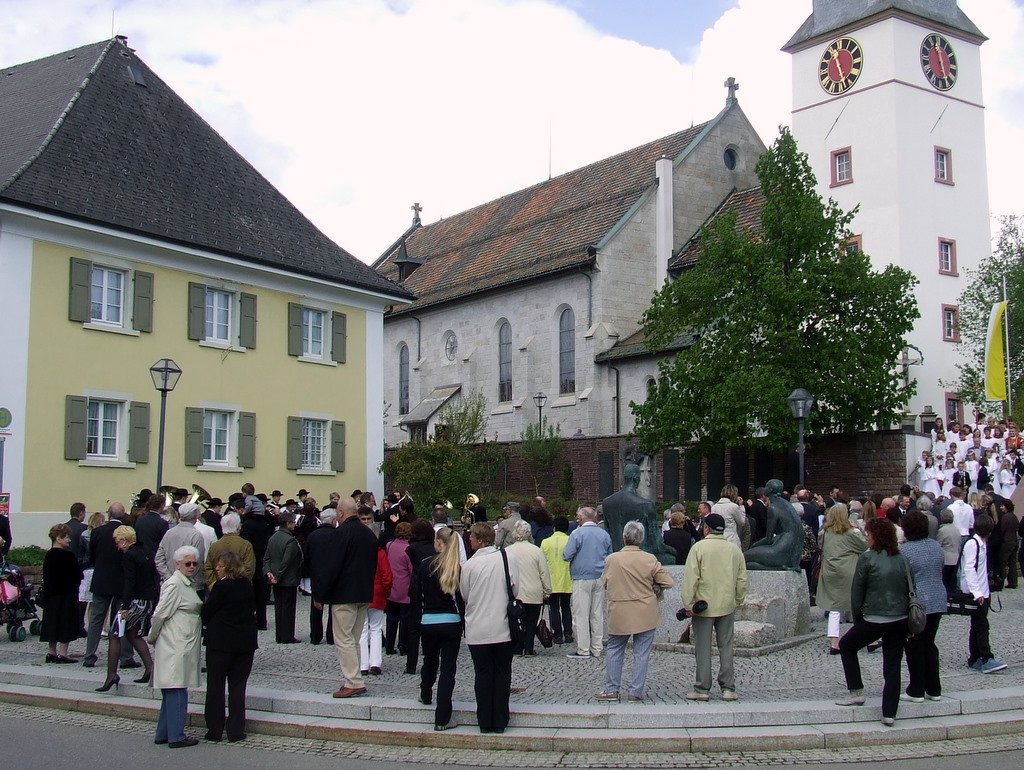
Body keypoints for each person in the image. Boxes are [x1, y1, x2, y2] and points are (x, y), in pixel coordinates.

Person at [835, 518, 912, 727]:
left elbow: (857, 592)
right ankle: (889, 712)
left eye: (868, 535)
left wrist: (858, 619)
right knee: (893, 666)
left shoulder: (867, 559)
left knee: (846, 645)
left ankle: (856, 691)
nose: (866, 538)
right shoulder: (902, 558)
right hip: (900, 618)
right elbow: (910, 588)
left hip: (875, 618)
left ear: (876, 537)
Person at [594, 520, 674, 703]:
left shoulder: (612, 559)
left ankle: (612, 689)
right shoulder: (649, 559)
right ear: (642, 539)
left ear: (624, 538)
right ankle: (635, 692)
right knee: (641, 653)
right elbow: (668, 582)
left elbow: (605, 582)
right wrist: (654, 586)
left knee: (615, 649)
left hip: (620, 610)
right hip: (645, 610)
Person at [317, 498, 379, 698]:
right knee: (353, 638)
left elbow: (332, 566)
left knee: (344, 639)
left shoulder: (341, 533)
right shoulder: (369, 534)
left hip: (344, 594)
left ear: (341, 513)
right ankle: (354, 677)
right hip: (364, 592)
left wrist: (320, 594)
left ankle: (353, 681)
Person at [682, 513, 747, 702]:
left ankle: (702, 688)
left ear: (706, 529)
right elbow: (742, 579)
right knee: (726, 646)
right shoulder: (734, 550)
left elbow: (691, 579)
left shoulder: (698, 548)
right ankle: (728, 688)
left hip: (703, 606)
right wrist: (738, 599)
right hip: (726, 603)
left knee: (703, 648)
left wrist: (688, 604)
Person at [461, 522, 518, 734]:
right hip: (502, 625)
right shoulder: (507, 558)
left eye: (472, 537)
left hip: (477, 627)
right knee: (502, 673)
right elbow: (515, 588)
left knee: (483, 674)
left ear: (480, 540)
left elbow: (465, 594)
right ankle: (500, 719)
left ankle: (485, 720)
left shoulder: (469, 566)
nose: (469, 540)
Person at [148, 545, 204, 748]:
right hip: (175, 642)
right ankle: (176, 735)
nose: (192, 567)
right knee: (176, 688)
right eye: (188, 563)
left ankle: (164, 732)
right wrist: (152, 637)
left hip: (182, 641)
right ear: (177, 564)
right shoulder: (174, 584)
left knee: (175, 688)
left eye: (195, 563)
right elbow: (160, 614)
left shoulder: (186, 583)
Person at [203, 551, 258, 743]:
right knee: (238, 686)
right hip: (244, 642)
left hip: (221, 642)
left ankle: (215, 729)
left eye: (219, 566)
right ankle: (236, 730)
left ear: (228, 567)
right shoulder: (247, 585)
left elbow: (208, 611)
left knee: (215, 686)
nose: (216, 569)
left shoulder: (221, 586)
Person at [413, 527, 464, 731]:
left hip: (429, 619)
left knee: (430, 660)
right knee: (448, 669)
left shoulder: (426, 564)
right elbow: (461, 599)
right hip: (451, 620)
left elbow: (416, 595)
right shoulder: (457, 567)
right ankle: (443, 717)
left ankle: (425, 692)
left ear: (438, 543)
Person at [96, 526, 158, 691]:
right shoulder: (146, 551)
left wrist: (124, 606)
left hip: (135, 601)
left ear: (124, 541)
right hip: (147, 599)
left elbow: (129, 581)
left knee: (114, 634)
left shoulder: (129, 556)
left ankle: (112, 675)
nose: (117, 546)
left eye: (117, 542)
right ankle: (150, 668)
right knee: (132, 634)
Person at [81, 503, 138, 670]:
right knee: (122, 618)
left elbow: (92, 555)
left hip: (102, 580)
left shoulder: (97, 532)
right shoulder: (128, 532)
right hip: (121, 581)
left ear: (109, 514)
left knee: (96, 619)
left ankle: (89, 655)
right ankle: (125, 657)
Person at [900, 511, 946, 702]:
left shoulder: (904, 551)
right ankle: (934, 688)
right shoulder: (936, 546)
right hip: (938, 598)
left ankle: (916, 688)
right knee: (929, 643)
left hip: (918, 602)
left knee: (915, 644)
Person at [816, 504, 867, 654]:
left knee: (834, 608)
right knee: (857, 605)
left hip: (829, 571)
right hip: (848, 570)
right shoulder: (850, 533)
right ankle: (864, 638)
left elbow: (821, 548)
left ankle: (834, 642)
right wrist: (857, 529)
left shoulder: (823, 533)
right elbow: (864, 546)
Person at [563, 506, 612, 660]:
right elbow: (610, 555)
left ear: (582, 517)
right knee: (597, 614)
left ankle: (583, 649)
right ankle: (597, 647)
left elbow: (567, 555)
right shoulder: (604, 534)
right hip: (599, 576)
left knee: (581, 614)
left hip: (582, 576)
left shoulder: (577, 534)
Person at [960, 514, 1007, 673]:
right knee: (982, 625)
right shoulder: (972, 544)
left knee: (977, 625)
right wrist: (977, 593)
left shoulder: (981, 543)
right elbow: (969, 569)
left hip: (983, 589)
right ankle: (986, 658)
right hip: (976, 592)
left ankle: (975, 658)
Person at [505, 519, 551, 656]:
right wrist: (547, 590)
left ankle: (517, 647)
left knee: (516, 622)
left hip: (516, 593)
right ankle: (529, 648)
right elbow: (544, 572)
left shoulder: (507, 551)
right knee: (532, 622)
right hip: (533, 591)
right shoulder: (536, 550)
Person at [40, 523, 83, 664]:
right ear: (58, 538)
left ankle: (51, 652)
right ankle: (63, 653)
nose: (69, 540)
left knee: (52, 622)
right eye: (66, 537)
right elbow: (77, 575)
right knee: (66, 623)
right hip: (67, 595)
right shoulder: (68, 556)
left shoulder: (49, 555)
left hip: (51, 595)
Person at [263, 510, 302, 643]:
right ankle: (287, 636)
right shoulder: (290, 540)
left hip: (274, 578)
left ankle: (279, 635)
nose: (294, 525)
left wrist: (269, 573)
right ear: (288, 524)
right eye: (293, 523)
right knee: (288, 609)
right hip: (287, 579)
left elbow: (266, 558)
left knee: (279, 608)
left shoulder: (273, 538)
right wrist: (278, 576)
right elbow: (286, 561)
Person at [359, 527, 393, 676]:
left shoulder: (357, 553)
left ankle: (363, 664)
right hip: (377, 593)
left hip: (361, 593)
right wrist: (386, 593)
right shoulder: (380, 553)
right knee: (376, 629)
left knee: (362, 630)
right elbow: (387, 577)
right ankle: (375, 663)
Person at [155, 503, 207, 594]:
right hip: (191, 586)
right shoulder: (196, 535)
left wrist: (169, 577)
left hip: (169, 584)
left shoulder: (169, 533)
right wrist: (182, 580)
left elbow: (159, 559)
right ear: (195, 516)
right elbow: (197, 562)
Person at [304, 509, 337, 646]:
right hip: (333, 574)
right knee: (333, 607)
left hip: (316, 574)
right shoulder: (337, 535)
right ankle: (331, 635)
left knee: (316, 605)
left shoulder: (313, 536)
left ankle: (315, 636)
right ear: (334, 521)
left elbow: (306, 556)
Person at [540, 515, 573, 645]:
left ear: (554, 528)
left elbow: (542, 561)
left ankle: (557, 634)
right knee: (566, 607)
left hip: (551, 579)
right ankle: (568, 633)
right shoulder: (570, 540)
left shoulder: (545, 542)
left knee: (554, 608)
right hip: (567, 579)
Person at [204, 512, 255, 590]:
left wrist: (213, 585)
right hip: (240, 588)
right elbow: (249, 568)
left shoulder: (214, 546)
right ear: (238, 527)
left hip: (219, 587)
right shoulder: (245, 545)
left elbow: (208, 568)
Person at [384, 522, 413, 656]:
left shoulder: (389, 545)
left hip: (391, 587)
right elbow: (411, 570)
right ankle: (403, 644)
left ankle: (389, 644)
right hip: (405, 588)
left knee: (391, 618)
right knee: (405, 619)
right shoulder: (408, 549)